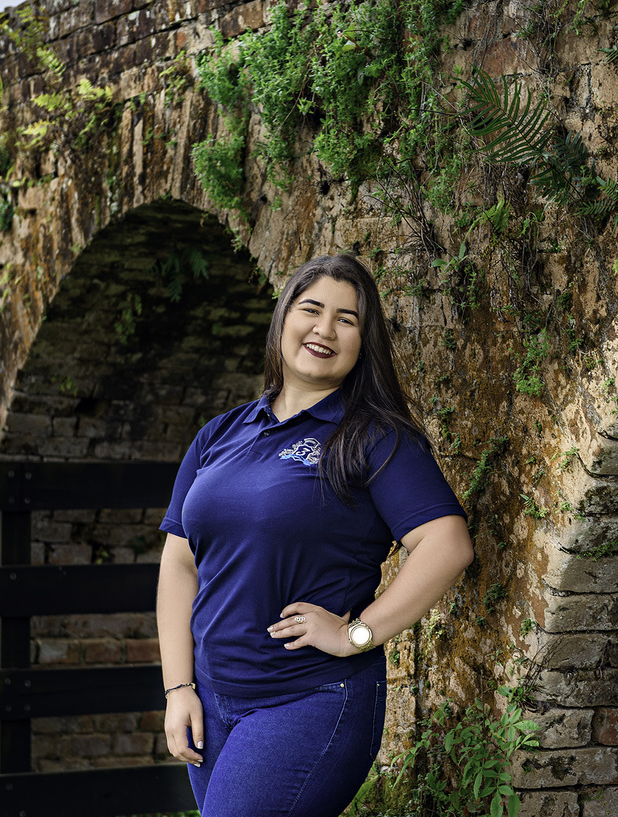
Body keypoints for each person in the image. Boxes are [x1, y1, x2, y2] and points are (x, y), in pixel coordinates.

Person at [156, 253, 475, 817]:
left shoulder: (375, 437)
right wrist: (179, 688)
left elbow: (447, 544)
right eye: (311, 309)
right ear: (283, 318)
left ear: (363, 343)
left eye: (346, 320)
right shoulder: (220, 434)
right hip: (213, 700)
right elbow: (180, 564)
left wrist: (356, 634)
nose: (325, 329)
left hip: (308, 699)